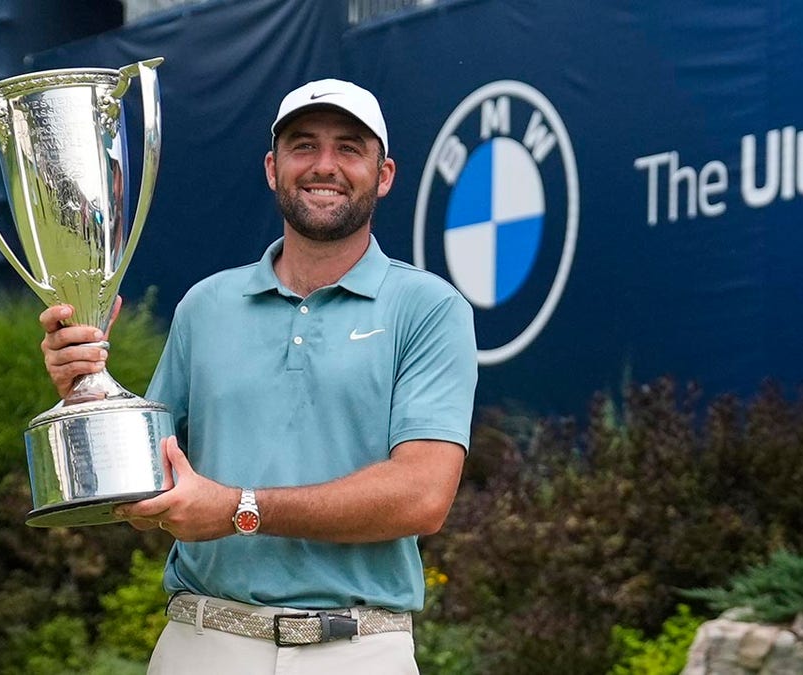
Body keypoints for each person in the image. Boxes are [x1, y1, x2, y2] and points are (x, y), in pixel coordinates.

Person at [39, 78, 477, 674]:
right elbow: (151, 480)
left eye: (350, 148)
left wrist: (240, 508)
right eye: (303, 146)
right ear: (273, 167)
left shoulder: (429, 307)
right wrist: (85, 396)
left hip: (358, 651)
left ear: (385, 174)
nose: (325, 165)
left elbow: (423, 497)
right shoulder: (206, 305)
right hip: (202, 643)